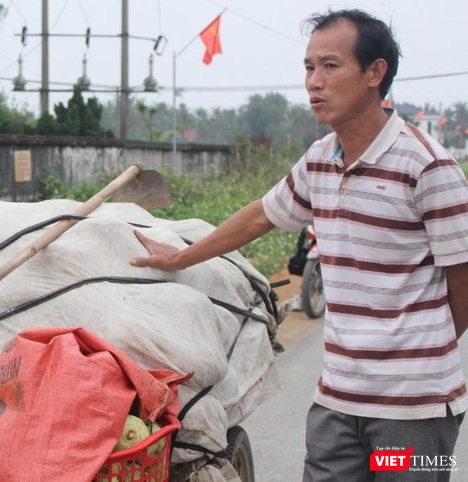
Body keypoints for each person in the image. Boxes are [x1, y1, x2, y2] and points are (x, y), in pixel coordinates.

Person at [129, 9, 468, 482]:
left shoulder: (428, 167)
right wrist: (181, 255)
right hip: (337, 401)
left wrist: (420, 350)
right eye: (309, 67)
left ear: (375, 73)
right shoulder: (319, 161)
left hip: (413, 411)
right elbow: (260, 214)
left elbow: (463, 280)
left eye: (330, 66)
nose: (314, 82)